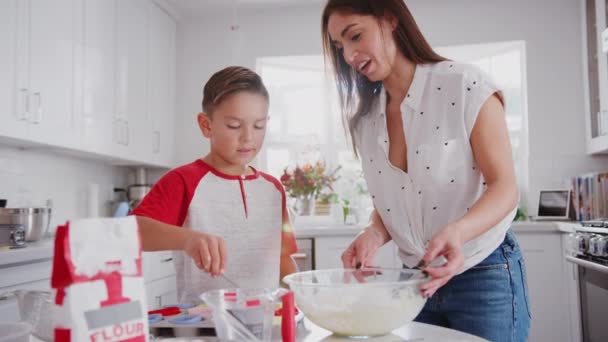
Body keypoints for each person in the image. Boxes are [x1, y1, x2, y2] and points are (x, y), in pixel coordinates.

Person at [321, 1, 530, 340]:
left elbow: (505, 188)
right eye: (339, 46)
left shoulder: (465, 85)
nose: (348, 55)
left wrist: (459, 232)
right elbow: (396, 200)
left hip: (483, 272)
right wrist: (372, 234)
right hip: (415, 284)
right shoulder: (365, 119)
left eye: (355, 36)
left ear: (390, 20)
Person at [132, 66, 298, 303]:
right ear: (206, 125)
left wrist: (299, 302)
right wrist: (187, 239)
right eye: (234, 125)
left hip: (264, 325)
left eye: (258, 126)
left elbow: (283, 259)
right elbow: (133, 230)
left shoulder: (273, 189)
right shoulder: (183, 180)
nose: (248, 137)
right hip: (205, 327)